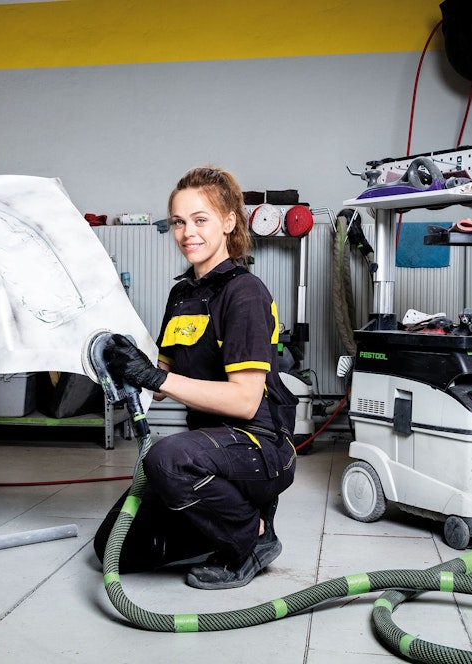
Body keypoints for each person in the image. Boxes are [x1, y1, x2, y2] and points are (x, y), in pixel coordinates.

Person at [93, 166, 298, 590]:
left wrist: (155, 377)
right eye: (179, 222)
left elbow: (244, 401)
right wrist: (129, 364)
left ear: (228, 222)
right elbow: (164, 384)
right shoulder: (182, 295)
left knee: (165, 458)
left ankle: (253, 536)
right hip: (204, 452)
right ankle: (226, 518)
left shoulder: (245, 293)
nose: (188, 232)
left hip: (259, 445)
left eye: (200, 219)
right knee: (113, 547)